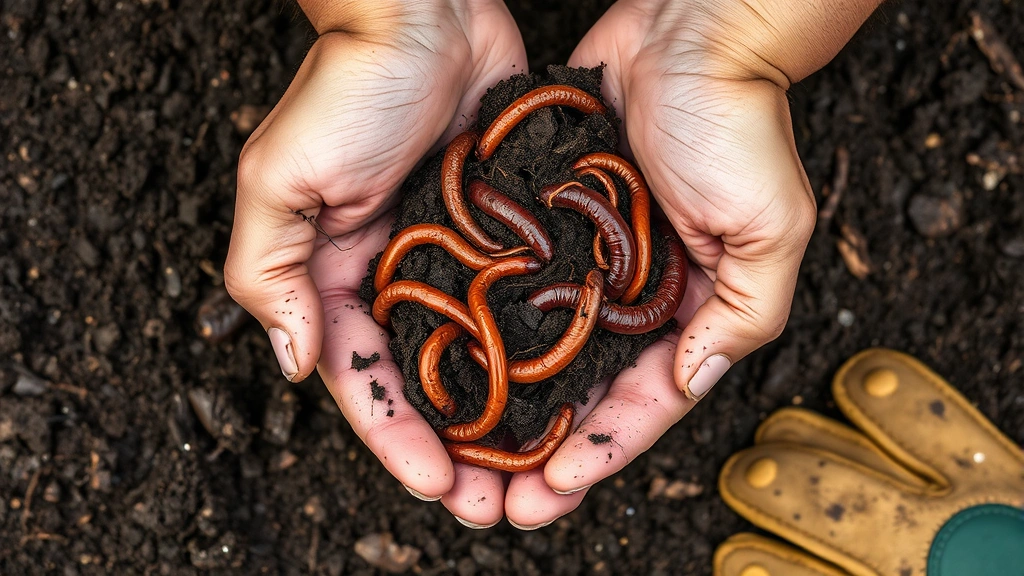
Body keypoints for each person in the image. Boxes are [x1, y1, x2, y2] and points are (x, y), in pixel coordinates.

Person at [225, 0, 882, 529]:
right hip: (524, 203)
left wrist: (733, 29)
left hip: (557, 200)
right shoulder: (530, 230)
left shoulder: (581, 243)